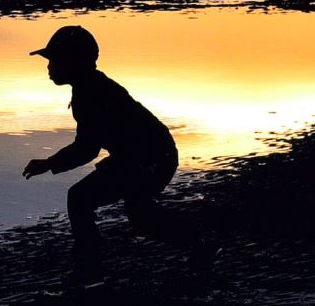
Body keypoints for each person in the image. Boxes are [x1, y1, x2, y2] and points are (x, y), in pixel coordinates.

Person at [22, 25, 204, 287]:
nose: (49, 67)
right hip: (144, 156)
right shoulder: (88, 88)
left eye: (54, 60)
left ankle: (90, 271)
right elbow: (90, 145)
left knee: (81, 199)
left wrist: (49, 164)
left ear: (74, 62)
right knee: (139, 213)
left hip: (150, 158)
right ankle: (198, 246)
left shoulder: (93, 93)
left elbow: (87, 149)